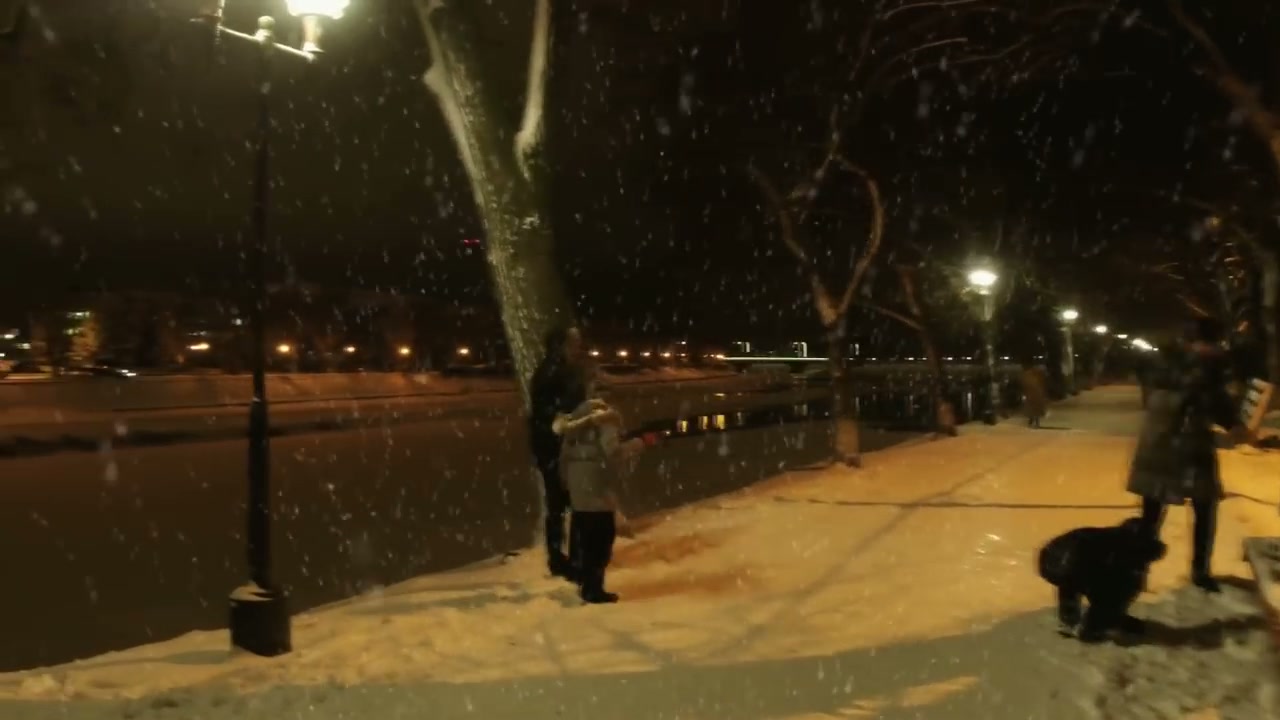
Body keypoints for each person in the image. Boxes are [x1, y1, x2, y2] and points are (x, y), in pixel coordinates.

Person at [1127, 318, 1243, 593]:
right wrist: (1237, 427)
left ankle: (1137, 570)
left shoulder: (1167, 361)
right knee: (1204, 505)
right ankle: (1200, 570)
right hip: (1188, 444)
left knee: (1152, 510)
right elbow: (1219, 406)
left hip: (1157, 441)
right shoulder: (1210, 364)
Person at [556, 374, 646, 604]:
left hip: (578, 485)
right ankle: (593, 589)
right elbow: (612, 452)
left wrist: (568, 481)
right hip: (596, 485)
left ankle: (582, 579)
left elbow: (564, 456)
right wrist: (638, 444)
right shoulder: (606, 418)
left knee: (584, 535)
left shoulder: (575, 419)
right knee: (601, 539)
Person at [528, 325, 588, 581]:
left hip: (562, 446)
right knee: (564, 503)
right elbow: (547, 412)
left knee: (565, 503)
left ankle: (568, 558)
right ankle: (567, 560)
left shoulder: (564, 370)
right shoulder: (551, 373)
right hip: (555, 448)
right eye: (573, 343)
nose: (578, 348)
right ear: (559, 346)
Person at [1019, 359, 1048, 428]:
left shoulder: (1029, 374)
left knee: (1033, 409)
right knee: (1034, 409)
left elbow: (1024, 385)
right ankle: (1033, 421)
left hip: (1033, 394)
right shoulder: (1033, 374)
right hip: (1034, 394)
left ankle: (1033, 421)